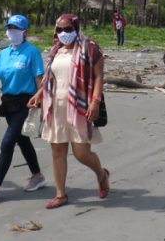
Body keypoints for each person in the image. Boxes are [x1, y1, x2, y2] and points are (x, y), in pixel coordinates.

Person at [28, 14, 110, 209]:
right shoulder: (56, 50)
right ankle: (60, 194)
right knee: (57, 151)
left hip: (80, 106)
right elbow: (51, 78)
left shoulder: (89, 48)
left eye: (68, 29)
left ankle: (101, 174)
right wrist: (39, 94)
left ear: (76, 28)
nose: (63, 33)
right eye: (59, 30)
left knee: (81, 153)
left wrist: (95, 102)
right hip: (56, 106)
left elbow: (99, 77)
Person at [0, 14, 47, 204]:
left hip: (25, 103)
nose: (12, 32)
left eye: (16, 28)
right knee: (22, 140)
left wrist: (43, 103)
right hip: (8, 104)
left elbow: (40, 79)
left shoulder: (32, 52)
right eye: (9, 28)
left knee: (7, 143)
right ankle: (37, 175)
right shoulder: (3, 54)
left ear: (24, 31)